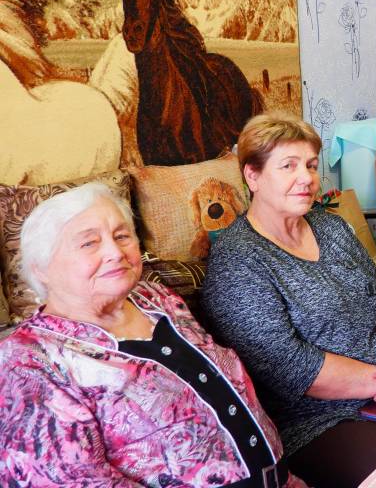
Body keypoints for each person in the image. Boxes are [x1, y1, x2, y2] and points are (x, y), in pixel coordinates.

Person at [0, 183, 300, 487]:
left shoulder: (157, 299)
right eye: (89, 243)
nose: (115, 252)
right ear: (41, 268)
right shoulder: (26, 362)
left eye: (122, 236)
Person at [202, 111, 376, 486]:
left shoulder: (331, 226)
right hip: (320, 426)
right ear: (252, 176)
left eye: (310, 165)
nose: (306, 178)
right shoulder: (238, 260)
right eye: (288, 165)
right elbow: (290, 367)